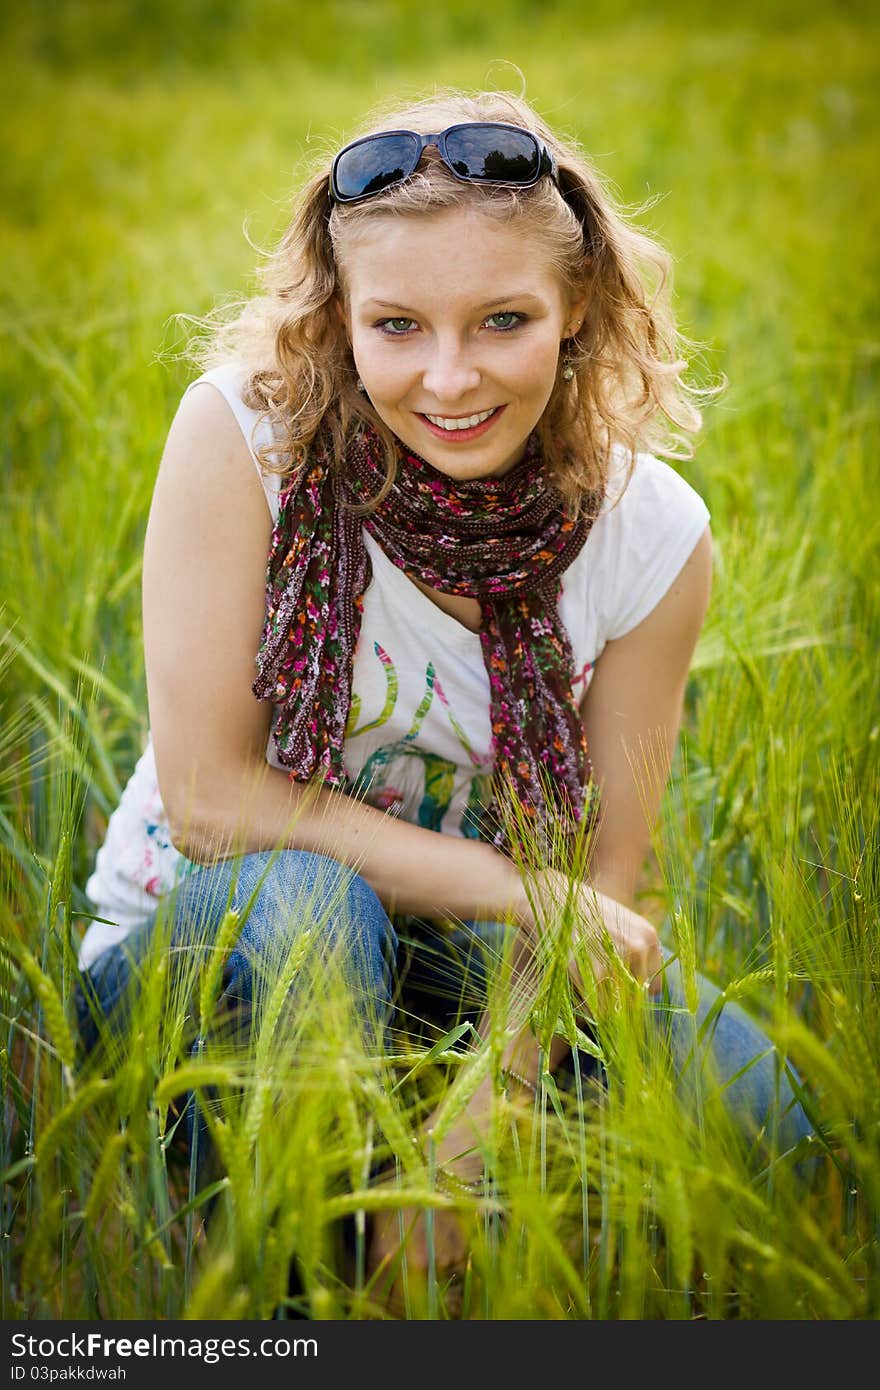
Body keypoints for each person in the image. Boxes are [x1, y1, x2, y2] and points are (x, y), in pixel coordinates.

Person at [74, 88, 812, 1314]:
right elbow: (210, 800)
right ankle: (271, 1289)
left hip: (467, 963)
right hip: (215, 950)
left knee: (767, 1127)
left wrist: (480, 1131)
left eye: (502, 320)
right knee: (313, 914)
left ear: (576, 307)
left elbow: (599, 879)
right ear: (339, 318)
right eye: (398, 325)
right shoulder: (242, 442)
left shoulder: (652, 535)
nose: (450, 377)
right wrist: (524, 890)